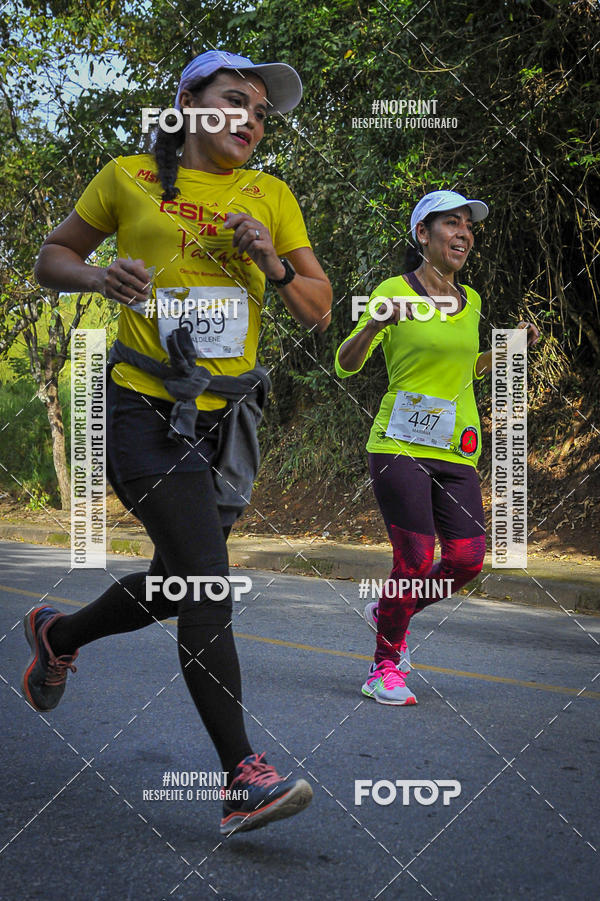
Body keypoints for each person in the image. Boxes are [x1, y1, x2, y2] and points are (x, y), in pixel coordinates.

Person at [22, 49, 332, 833]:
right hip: (144, 412)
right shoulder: (127, 176)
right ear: (188, 103)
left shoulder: (273, 197)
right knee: (204, 584)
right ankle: (242, 777)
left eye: (262, 113)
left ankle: (57, 634)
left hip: (229, 424)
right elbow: (49, 258)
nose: (252, 121)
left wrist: (269, 256)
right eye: (236, 101)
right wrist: (100, 277)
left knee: (173, 584)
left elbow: (318, 308)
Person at [335, 190, 539, 706]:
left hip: (456, 450)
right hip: (399, 444)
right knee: (415, 559)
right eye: (452, 223)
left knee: (469, 560)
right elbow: (346, 363)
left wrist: (507, 348)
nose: (464, 233)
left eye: (469, 225)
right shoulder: (392, 291)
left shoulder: (469, 303)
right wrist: (377, 322)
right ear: (423, 234)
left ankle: (389, 611)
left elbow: (465, 369)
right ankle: (384, 667)